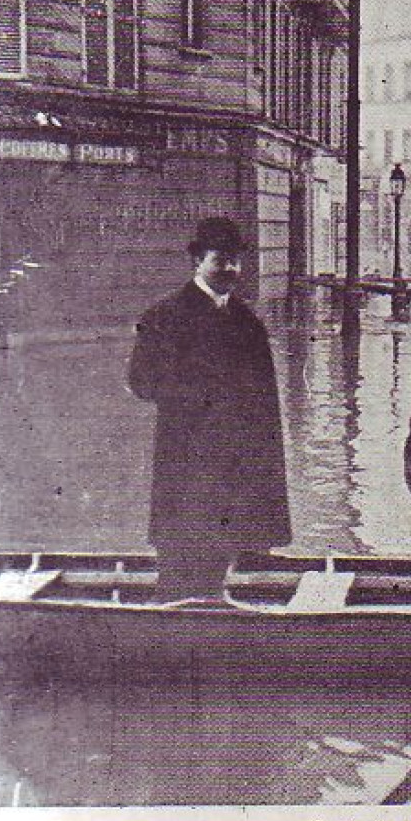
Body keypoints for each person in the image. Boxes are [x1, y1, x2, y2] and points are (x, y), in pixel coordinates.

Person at [126, 217, 292, 601]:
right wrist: (196, 400)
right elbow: (140, 381)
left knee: (229, 557)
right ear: (198, 261)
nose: (230, 270)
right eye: (220, 260)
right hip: (186, 459)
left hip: (236, 466)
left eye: (236, 261)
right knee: (182, 558)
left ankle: (219, 619)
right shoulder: (164, 315)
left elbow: (265, 407)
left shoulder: (248, 323)